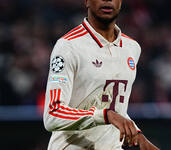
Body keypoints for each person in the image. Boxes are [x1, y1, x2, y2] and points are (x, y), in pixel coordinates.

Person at [43, 0, 160, 149]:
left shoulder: (132, 48)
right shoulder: (68, 47)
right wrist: (106, 115)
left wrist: (137, 134)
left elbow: (116, 108)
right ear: (86, 1)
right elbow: (53, 114)